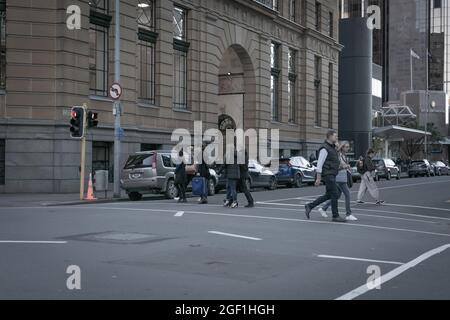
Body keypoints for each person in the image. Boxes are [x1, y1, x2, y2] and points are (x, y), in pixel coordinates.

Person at [304, 130, 347, 223]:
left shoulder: (332, 148)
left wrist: (341, 166)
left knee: (329, 194)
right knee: (335, 193)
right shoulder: (324, 148)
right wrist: (318, 178)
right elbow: (319, 164)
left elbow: (333, 162)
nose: (336, 138)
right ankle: (335, 216)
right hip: (328, 175)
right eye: (335, 136)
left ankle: (310, 206)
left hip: (332, 174)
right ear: (330, 137)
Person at [318, 142, 358, 221]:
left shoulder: (345, 156)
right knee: (347, 194)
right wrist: (344, 167)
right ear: (342, 147)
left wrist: (347, 167)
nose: (347, 148)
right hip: (339, 178)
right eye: (346, 147)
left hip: (343, 177)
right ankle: (348, 214)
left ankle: (323, 208)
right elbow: (336, 167)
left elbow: (344, 166)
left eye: (348, 147)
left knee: (336, 196)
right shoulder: (338, 155)